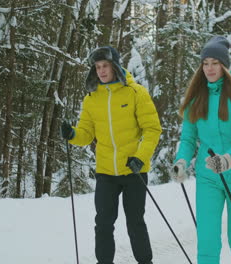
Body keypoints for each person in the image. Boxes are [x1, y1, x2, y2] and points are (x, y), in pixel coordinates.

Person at [61, 46, 162, 264]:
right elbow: (86, 134)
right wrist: (73, 134)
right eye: (97, 67)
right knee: (104, 223)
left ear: (115, 66)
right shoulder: (91, 98)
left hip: (134, 169)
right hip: (106, 171)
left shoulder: (136, 93)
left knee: (135, 222)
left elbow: (152, 129)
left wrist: (140, 157)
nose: (101, 71)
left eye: (105, 65)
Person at [171, 36, 231, 264]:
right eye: (205, 63)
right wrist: (181, 161)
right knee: (207, 241)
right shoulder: (196, 96)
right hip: (209, 177)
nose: (209, 68)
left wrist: (228, 159)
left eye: (215, 63)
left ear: (224, 65)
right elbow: (189, 138)